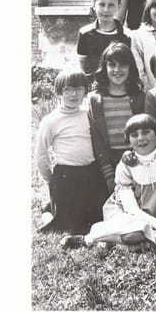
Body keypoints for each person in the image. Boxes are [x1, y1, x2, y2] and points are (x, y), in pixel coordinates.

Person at [81, 114, 156, 251]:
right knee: (137, 232)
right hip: (127, 214)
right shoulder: (125, 166)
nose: (140, 138)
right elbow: (131, 209)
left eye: (146, 132)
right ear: (129, 141)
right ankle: (89, 238)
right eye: (134, 135)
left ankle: (120, 245)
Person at [35, 69, 106, 235]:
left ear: (85, 92)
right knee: (67, 226)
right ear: (59, 92)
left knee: (95, 220)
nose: (74, 94)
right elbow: (41, 155)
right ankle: (48, 213)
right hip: (66, 176)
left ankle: (50, 208)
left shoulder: (88, 114)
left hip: (91, 173)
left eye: (79, 89)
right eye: (68, 89)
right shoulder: (51, 121)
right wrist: (51, 181)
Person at [87, 42, 146, 192]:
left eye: (123, 65)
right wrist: (108, 174)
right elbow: (96, 138)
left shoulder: (139, 98)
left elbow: (144, 134)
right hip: (106, 165)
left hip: (136, 162)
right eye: (112, 65)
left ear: (130, 68)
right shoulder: (95, 99)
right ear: (104, 67)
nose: (117, 70)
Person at [76, 0, 131, 76]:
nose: (106, 10)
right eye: (101, 4)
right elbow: (83, 69)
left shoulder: (127, 35)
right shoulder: (85, 33)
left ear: (119, 6)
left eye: (111, 5)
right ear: (94, 5)